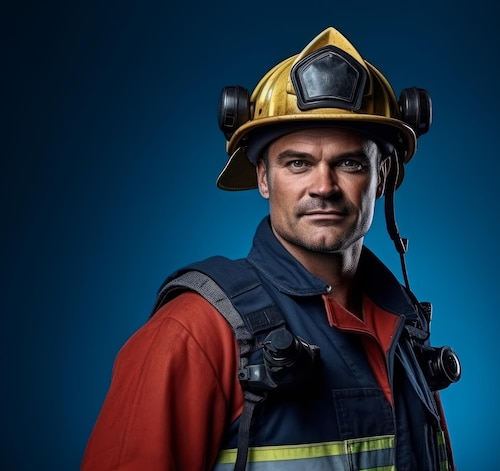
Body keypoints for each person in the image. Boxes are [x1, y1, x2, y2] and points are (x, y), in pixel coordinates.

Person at [81, 27, 461, 471]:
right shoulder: (195, 334)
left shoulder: (402, 331)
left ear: (384, 177)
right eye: (298, 162)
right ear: (263, 177)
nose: (323, 187)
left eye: (350, 163)